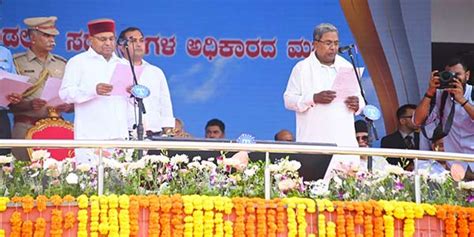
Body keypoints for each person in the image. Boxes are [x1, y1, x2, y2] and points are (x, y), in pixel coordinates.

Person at [283, 23, 365, 178]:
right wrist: (313, 98)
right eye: (328, 43)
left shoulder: (347, 66)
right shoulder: (302, 68)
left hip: (344, 143)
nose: (333, 47)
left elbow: (361, 100)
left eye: (336, 43)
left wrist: (358, 104)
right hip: (314, 142)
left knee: (348, 195)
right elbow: (288, 100)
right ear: (315, 44)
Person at [59, 19, 129, 164]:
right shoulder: (78, 62)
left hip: (118, 135)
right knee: (90, 183)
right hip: (90, 136)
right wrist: (93, 90)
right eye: (103, 39)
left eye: (111, 39)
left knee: (119, 184)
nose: (108, 43)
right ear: (90, 40)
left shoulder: (123, 64)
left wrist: (131, 92)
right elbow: (65, 94)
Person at [11, 16, 71, 160]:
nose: (52, 40)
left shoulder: (62, 63)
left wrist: (68, 106)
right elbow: (7, 101)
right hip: (26, 126)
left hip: (57, 128)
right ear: (32, 37)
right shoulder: (16, 62)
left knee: (59, 175)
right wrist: (29, 104)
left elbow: (72, 99)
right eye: (46, 36)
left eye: (53, 36)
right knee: (24, 173)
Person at [413, 57, 474, 179]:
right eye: (449, 75)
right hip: (455, 165)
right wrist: (430, 92)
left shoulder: (472, 93)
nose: (454, 78)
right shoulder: (441, 95)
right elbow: (417, 121)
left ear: (467, 75)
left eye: (458, 74)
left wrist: (462, 100)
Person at [116, 27, 175, 136]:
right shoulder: (115, 69)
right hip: (125, 135)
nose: (139, 44)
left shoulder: (156, 72)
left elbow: (165, 106)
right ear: (122, 47)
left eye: (141, 40)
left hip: (155, 136)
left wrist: (168, 133)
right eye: (133, 41)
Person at [381, 104, 420, 169]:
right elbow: (390, 164)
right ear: (402, 121)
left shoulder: (422, 138)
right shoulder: (388, 141)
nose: (417, 120)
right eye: (413, 117)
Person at [0, 46, 22, 155]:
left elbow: (14, 82)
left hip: (1, 115)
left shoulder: (4, 52)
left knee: (3, 160)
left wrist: (16, 95)